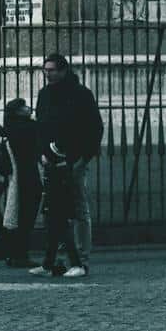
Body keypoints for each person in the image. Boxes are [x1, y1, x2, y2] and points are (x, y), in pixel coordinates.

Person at [34, 53, 102, 276]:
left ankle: (82, 259)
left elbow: (94, 129)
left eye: (52, 70)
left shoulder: (81, 94)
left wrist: (83, 158)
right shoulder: (44, 95)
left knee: (79, 208)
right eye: (45, 70)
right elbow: (41, 127)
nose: (47, 74)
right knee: (54, 211)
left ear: (63, 70)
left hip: (74, 160)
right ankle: (54, 260)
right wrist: (43, 153)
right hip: (50, 160)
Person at [0, 99, 42, 269]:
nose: (28, 108)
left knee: (14, 215)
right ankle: (20, 254)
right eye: (24, 106)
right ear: (18, 111)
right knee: (26, 217)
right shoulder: (30, 128)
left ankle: (12, 252)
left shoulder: (9, 129)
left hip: (15, 177)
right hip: (29, 175)